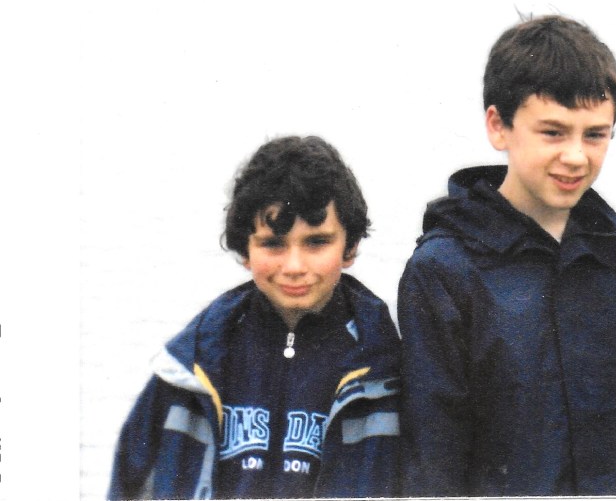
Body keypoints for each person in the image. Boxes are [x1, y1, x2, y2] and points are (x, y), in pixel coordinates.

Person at [398, 15, 616, 496]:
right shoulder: (443, 269)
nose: (576, 156)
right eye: (553, 133)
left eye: (595, 134)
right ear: (499, 125)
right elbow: (433, 455)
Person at [108, 136, 400, 500]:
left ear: (351, 246)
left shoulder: (389, 373)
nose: (294, 267)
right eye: (273, 244)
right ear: (245, 250)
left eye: (316, 242)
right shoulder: (189, 367)